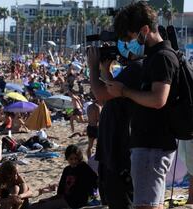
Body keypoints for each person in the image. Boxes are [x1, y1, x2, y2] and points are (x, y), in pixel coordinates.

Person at [106, 2, 179, 209]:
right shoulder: (155, 57)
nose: (129, 44)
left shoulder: (162, 58)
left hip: (152, 145)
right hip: (150, 144)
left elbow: (158, 99)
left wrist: (125, 92)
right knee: (150, 203)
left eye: (130, 38)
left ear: (144, 30)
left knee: (146, 205)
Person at [88, 33, 144, 209]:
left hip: (119, 151)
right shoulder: (134, 69)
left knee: (120, 200)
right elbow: (112, 96)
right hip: (114, 150)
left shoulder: (137, 68)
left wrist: (93, 67)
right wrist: (106, 70)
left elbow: (101, 94)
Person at [31, 145, 98, 209]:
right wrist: (50, 199)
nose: (73, 161)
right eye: (71, 159)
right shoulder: (67, 169)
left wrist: (92, 194)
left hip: (76, 202)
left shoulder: (83, 168)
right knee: (37, 204)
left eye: (76, 159)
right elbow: (61, 190)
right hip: (66, 199)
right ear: (67, 158)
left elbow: (96, 182)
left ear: (79, 158)